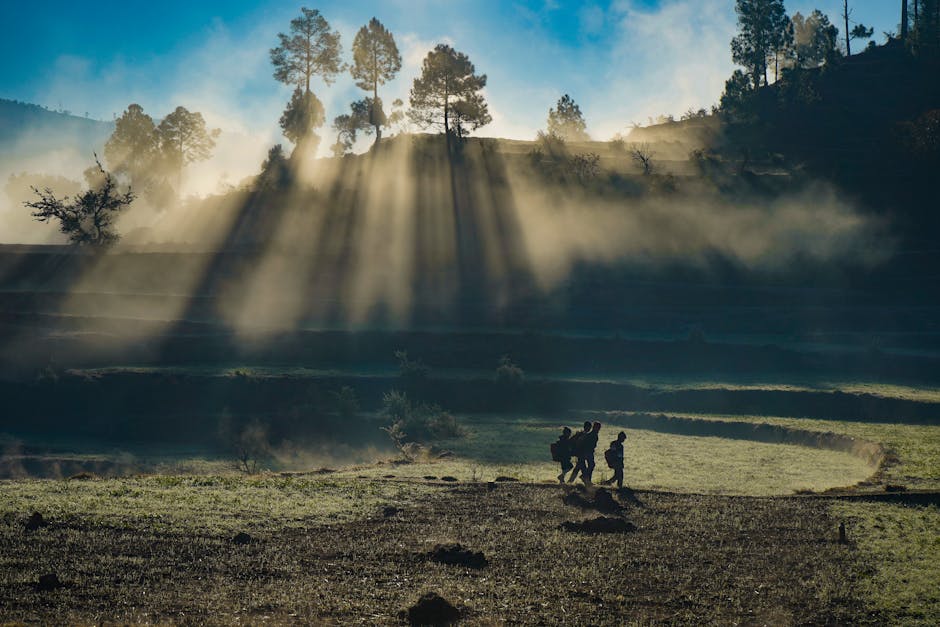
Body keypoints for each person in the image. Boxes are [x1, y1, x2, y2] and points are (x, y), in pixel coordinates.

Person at [570, 421, 601, 486]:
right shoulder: (592, 434)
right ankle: (586, 479)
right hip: (587, 452)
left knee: (579, 467)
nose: (599, 429)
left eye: (599, 427)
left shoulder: (592, 434)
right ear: (594, 427)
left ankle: (571, 481)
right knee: (591, 465)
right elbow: (587, 444)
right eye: (598, 427)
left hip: (585, 452)